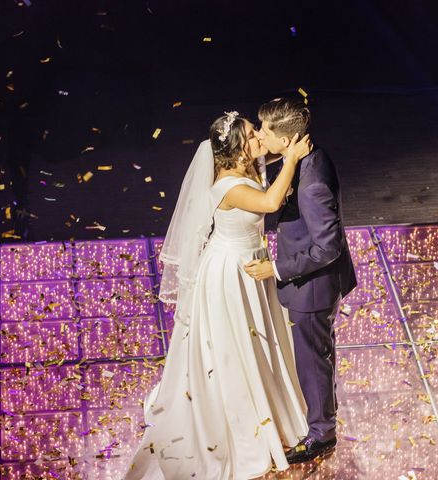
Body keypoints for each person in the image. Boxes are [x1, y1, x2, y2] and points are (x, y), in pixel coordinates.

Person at [123, 111, 313, 479]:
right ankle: (243, 428)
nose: (259, 137)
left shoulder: (247, 164)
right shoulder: (228, 185)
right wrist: (290, 159)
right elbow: (271, 203)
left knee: (259, 342)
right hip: (231, 272)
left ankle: (271, 408)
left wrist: (285, 144)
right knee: (234, 346)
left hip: (252, 263)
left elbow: (272, 148)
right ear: (239, 149)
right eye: (252, 134)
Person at [245, 98, 357, 464]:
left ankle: (322, 434)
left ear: (287, 137)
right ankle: (323, 418)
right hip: (313, 287)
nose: (260, 135)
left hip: (312, 290)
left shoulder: (311, 184)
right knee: (317, 356)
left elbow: (328, 247)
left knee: (313, 361)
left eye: (265, 130)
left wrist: (276, 270)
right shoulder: (310, 156)